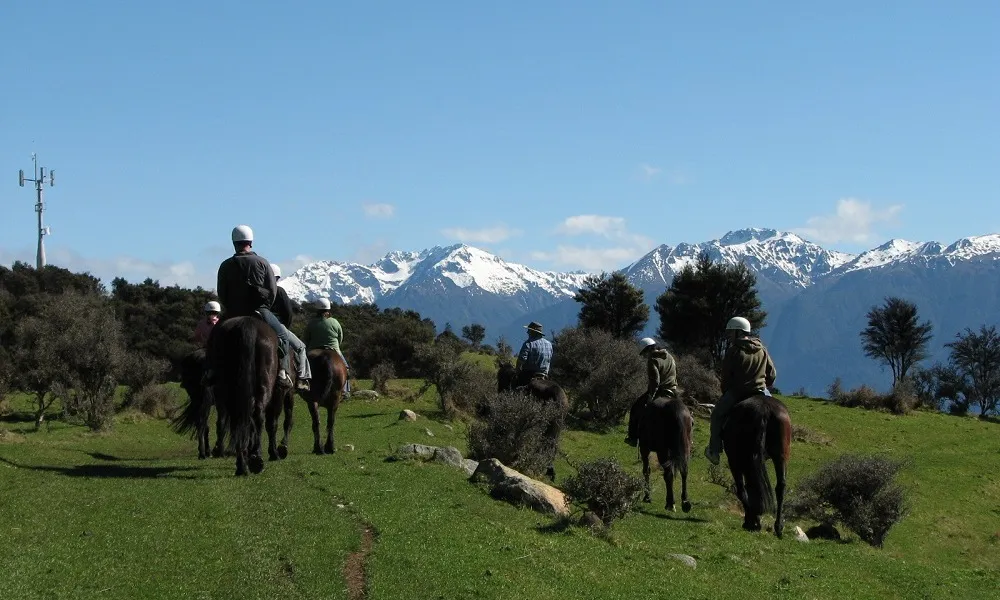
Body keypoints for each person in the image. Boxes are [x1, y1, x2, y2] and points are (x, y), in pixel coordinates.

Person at [206, 224, 311, 392]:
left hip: (233, 311)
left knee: (214, 337)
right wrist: (265, 307)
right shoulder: (262, 262)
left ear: (234, 242)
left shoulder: (225, 265)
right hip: (260, 310)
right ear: (251, 242)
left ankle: (211, 370)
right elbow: (272, 290)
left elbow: (221, 292)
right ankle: (283, 372)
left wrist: (230, 307)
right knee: (283, 336)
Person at [704, 316, 777, 466]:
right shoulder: (762, 349)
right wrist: (765, 384)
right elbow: (772, 374)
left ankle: (714, 451)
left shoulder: (734, 351)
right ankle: (772, 447)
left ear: (738, 332)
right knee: (775, 414)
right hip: (761, 391)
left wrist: (726, 391)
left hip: (739, 392)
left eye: (731, 333)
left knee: (717, 415)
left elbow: (726, 376)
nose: (729, 336)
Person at [624, 337, 678, 447]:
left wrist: (650, 397)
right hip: (673, 391)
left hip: (661, 392)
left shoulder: (652, 359)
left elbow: (655, 382)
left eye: (644, 353)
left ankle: (632, 438)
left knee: (635, 408)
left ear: (648, 350)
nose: (644, 356)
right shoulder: (670, 356)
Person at [302, 298, 352, 393]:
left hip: (313, 349)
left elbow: (306, 339)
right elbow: (340, 337)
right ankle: (345, 390)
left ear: (317, 310)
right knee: (346, 368)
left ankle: (302, 383)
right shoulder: (335, 322)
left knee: (302, 367)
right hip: (334, 349)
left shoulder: (311, 323)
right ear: (328, 310)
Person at [515, 321, 553, 388]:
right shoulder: (549, 344)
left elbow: (521, 360)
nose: (527, 332)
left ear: (533, 332)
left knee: (514, 387)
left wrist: (517, 372)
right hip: (544, 376)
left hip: (529, 376)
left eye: (529, 330)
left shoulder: (528, 343)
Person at [270, 263, 295, 329]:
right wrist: (286, 328)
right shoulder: (279, 291)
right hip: (277, 325)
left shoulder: (256, 289)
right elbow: (288, 312)